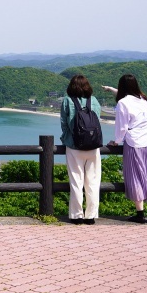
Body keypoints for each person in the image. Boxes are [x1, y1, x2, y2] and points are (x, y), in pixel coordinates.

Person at [104, 74, 147, 224]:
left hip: (135, 143)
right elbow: (128, 97)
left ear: (122, 87)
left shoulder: (123, 103)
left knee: (136, 177)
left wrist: (116, 141)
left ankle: (140, 213)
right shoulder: (143, 100)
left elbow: (122, 127)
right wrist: (111, 89)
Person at [60, 74, 102, 225]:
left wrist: (66, 139)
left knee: (76, 181)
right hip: (93, 147)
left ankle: (77, 215)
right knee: (93, 181)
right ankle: (90, 216)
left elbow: (64, 124)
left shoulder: (68, 101)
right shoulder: (94, 101)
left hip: (74, 147)